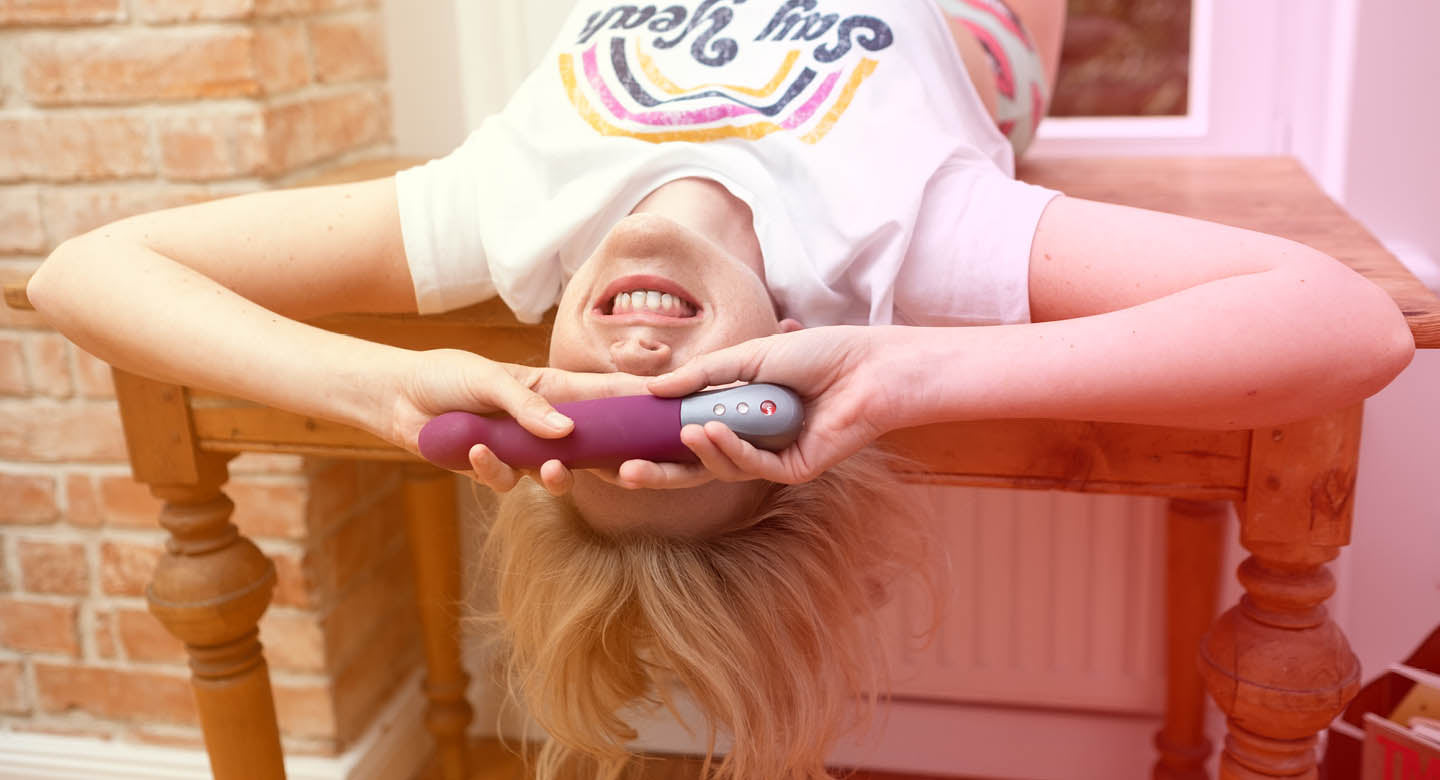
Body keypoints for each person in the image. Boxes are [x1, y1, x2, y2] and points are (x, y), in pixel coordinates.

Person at [24, 0, 1414, 777]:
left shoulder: (501, 219)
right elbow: (1349, 324)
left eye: (597, 423)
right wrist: (913, 365)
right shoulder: (905, 236)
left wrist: (391, 386)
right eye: (691, 431)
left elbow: (84, 269)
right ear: (773, 395)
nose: (639, 370)